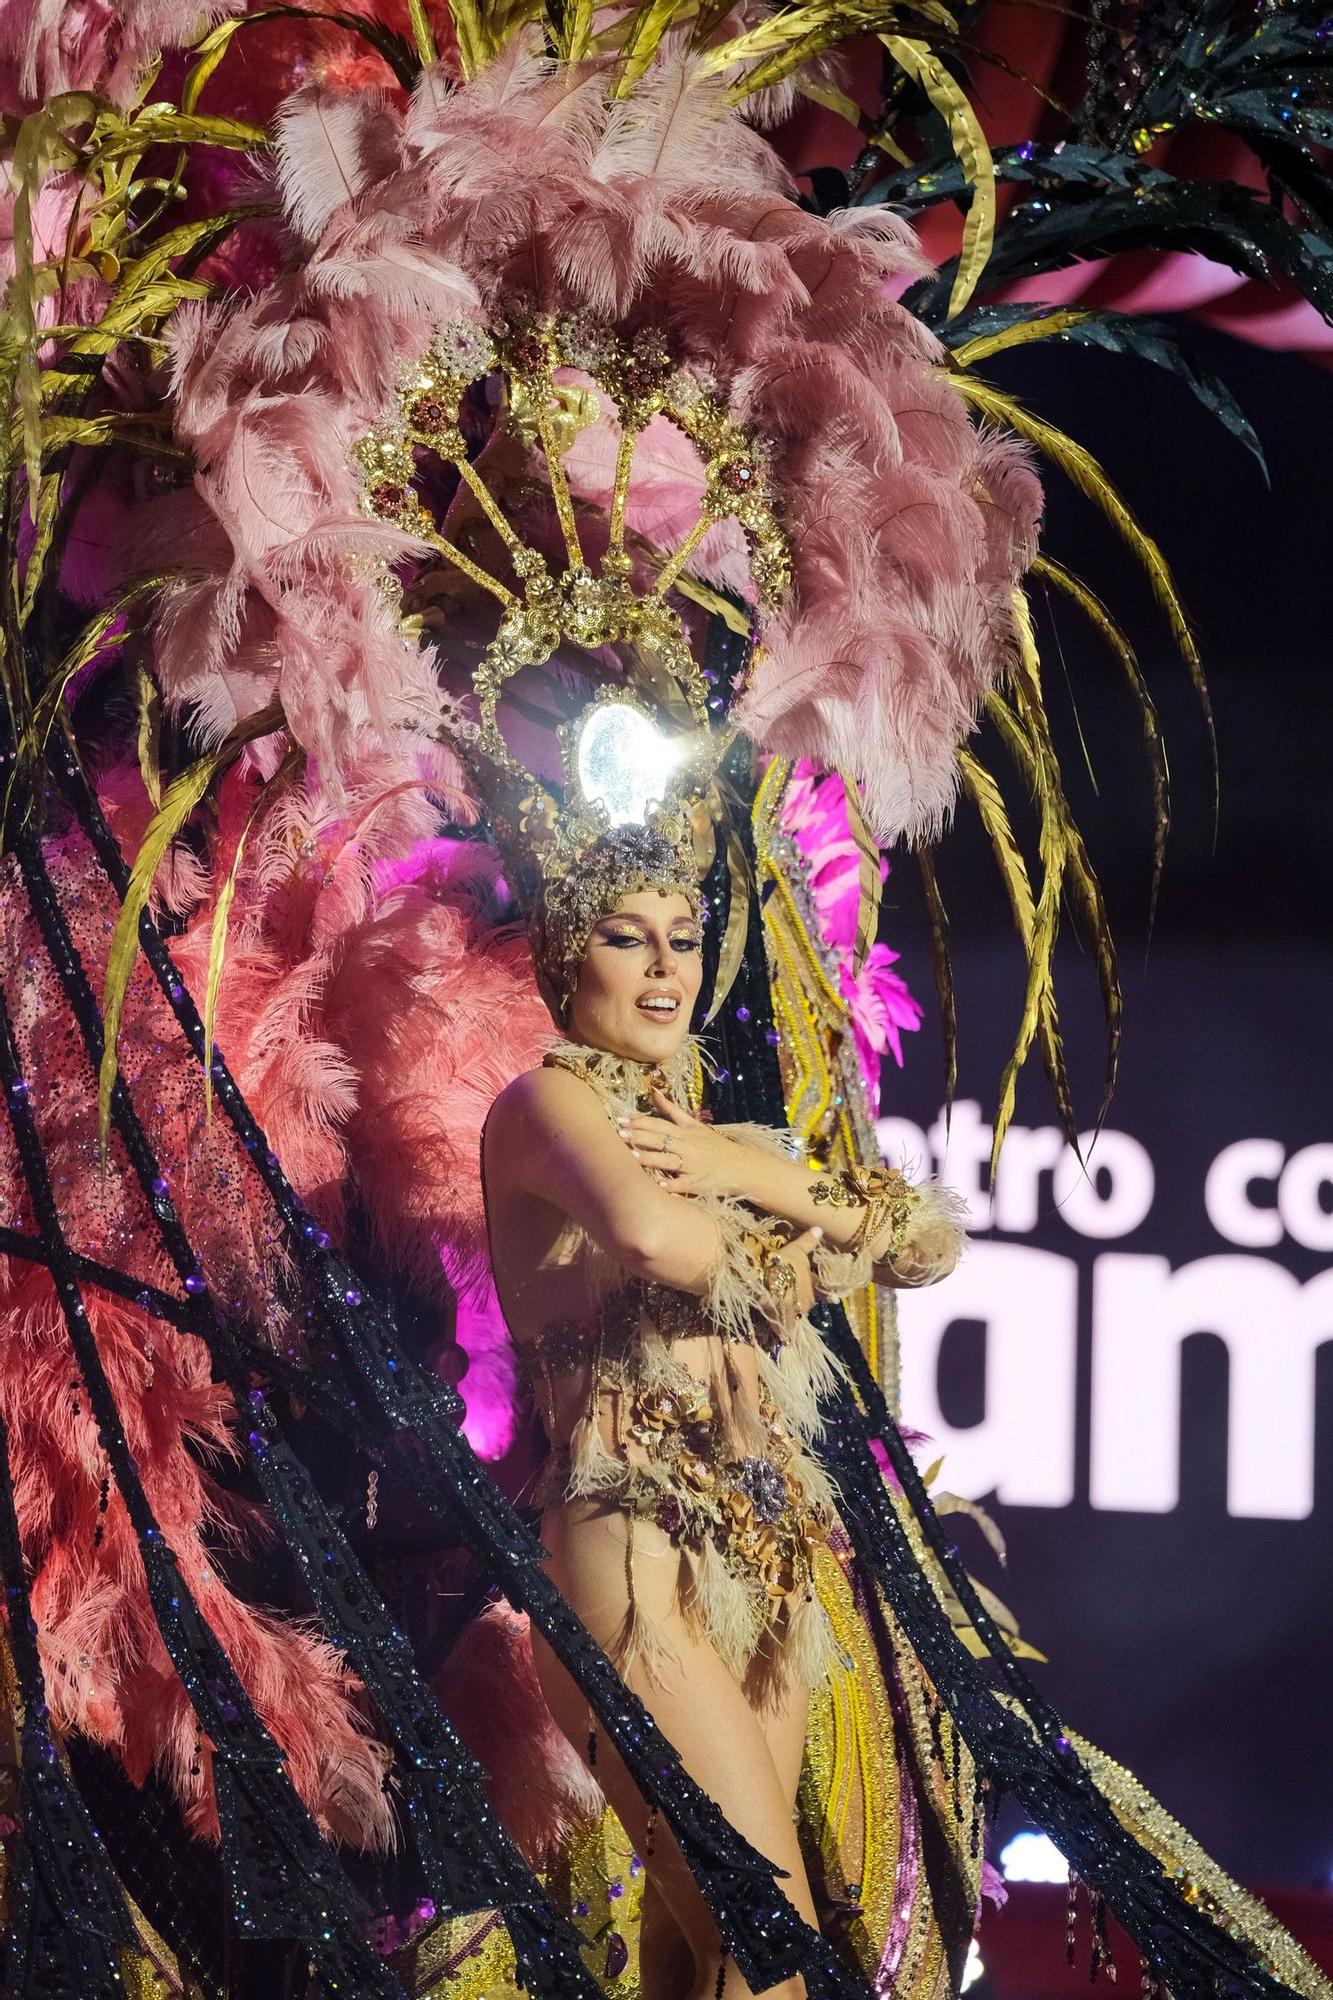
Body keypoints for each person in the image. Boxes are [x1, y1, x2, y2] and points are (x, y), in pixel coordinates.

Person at [482, 852, 966, 2000]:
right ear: (564, 960)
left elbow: (927, 1245)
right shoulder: (543, 1106)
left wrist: (746, 1167)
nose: (665, 966)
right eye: (625, 936)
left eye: (683, 937)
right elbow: (656, 1240)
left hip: (763, 1565)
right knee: (771, 1939)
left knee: (697, 1955)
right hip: (633, 1552)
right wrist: (802, 1246)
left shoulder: (714, 1135)